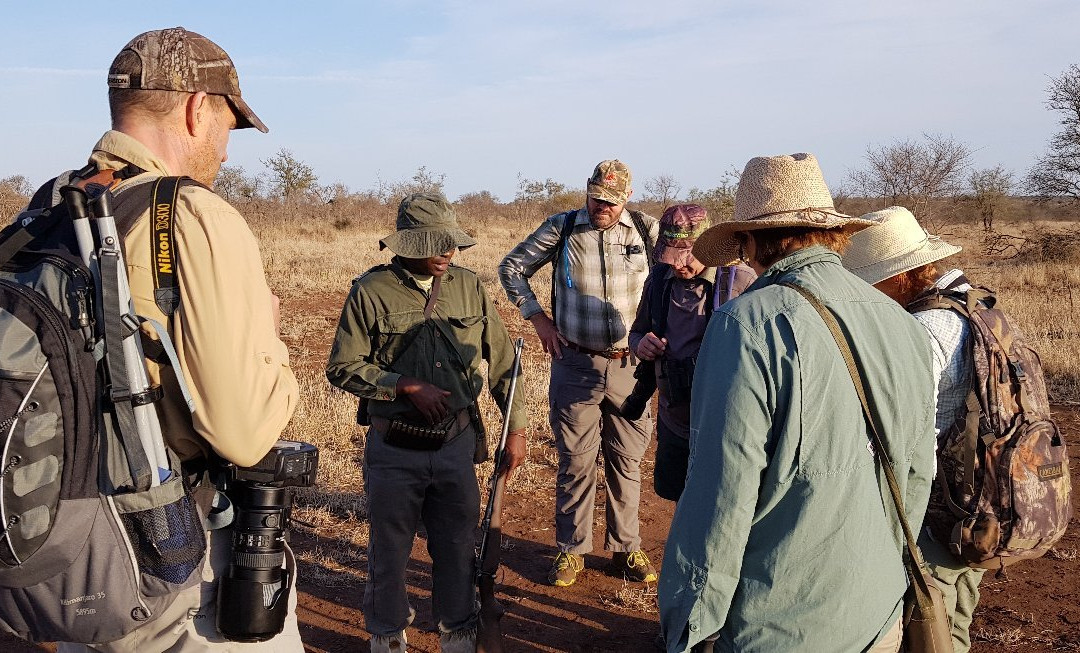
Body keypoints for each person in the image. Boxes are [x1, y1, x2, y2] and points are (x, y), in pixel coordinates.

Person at [55, 28, 301, 651]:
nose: (224, 148)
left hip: (76, 556)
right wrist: (269, 342)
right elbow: (241, 433)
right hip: (175, 565)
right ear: (197, 107)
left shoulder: (51, 209)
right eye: (227, 123)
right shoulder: (193, 213)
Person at [657, 153, 937, 653]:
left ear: (746, 243)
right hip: (878, 612)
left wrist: (691, 624)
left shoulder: (745, 324)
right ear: (833, 234)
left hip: (778, 624)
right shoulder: (904, 323)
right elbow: (917, 475)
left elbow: (722, 492)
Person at [326, 193, 528, 653]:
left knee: (458, 547)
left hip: (456, 446)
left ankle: (458, 634)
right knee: (389, 553)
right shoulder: (371, 290)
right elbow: (342, 366)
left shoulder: (469, 287)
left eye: (451, 244)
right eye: (434, 244)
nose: (446, 253)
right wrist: (403, 386)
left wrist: (515, 430)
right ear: (406, 244)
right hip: (393, 449)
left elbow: (502, 366)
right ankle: (387, 637)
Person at [499, 160, 659, 588]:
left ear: (626, 197)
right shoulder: (564, 227)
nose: (601, 206)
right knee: (576, 461)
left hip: (633, 366)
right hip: (575, 362)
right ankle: (572, 550)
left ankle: (626, 549)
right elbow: (511, 268)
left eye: (610, 200)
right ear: (586, 192)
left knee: (627, 460)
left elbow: (682, 272)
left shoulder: (647, 231)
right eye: (595, 197)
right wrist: (538, 319)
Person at [843, 205, 983, 653]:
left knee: (929, 622)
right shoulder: (972, 308)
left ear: (902, 276)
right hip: (974, 494)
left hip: (937, 504)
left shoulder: (925, 328)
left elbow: (894, 427)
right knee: (953, 610)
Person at [628, 204, 755, 501]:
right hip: (674, 418)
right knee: (678, 499)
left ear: (707, 247)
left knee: (725, 503)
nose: (677, 266)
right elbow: (637, 331)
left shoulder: (742, 282)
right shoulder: (658, 280)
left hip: (724, 424)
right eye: (670, 257)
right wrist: (640, 344)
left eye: (685, 257)